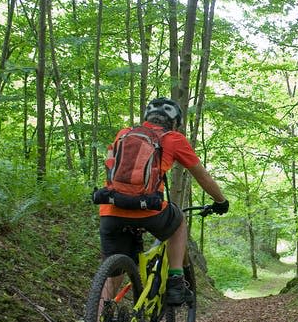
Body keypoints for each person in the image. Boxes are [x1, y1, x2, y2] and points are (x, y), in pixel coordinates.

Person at [98, 97, 229, 305]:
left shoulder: (124, 134)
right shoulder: (174, 139)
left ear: (147, 117)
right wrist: (221, 201)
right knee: (178, 221)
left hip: (111, 209)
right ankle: (176, 281)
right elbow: (202, 176)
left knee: (112, 276)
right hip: (148, 210)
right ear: (174, 122)